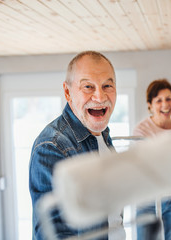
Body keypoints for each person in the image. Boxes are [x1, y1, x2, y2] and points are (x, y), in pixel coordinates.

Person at [29, 51, 125, 240]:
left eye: (107, 85)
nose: (99, 96)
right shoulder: (51, 147)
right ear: (67, 92)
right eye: (88, 86)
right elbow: (55, 235)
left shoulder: (102, 133)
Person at [133, 79, 171, 240]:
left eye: (169, 99)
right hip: (147, 201)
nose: (165, 104)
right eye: (159, 100)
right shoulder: (141, 131)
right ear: (150, 105)